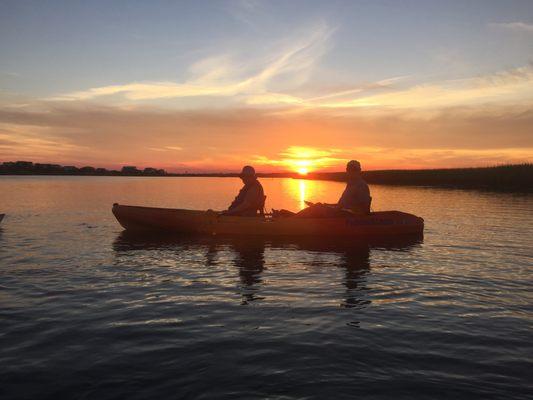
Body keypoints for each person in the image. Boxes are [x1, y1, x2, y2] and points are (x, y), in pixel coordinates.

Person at [301, 160, 371, 216]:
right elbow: (342, 204)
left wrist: (328, 208)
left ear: (359, 170)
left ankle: (294, 221)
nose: (351, 171)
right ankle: (297, 219)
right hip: (345, 213)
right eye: (349, 169)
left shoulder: (360, 185)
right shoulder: (351, 184)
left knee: (317, 208)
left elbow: (361, 209)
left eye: (354, 169)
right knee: (319, 206)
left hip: (351, 217)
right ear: (347, 170)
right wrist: (328, 205)